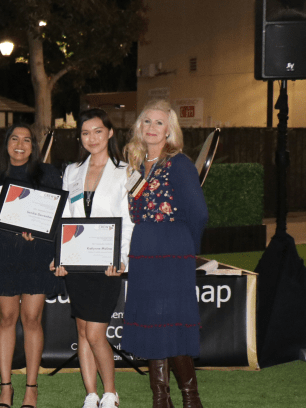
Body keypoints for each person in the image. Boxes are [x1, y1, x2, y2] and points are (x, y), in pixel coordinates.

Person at [121, 99, 208, 408]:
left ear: (170, 130)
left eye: (159, 123)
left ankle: (190, 398)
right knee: (151, 323)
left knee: (171, 322)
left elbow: (199, 213)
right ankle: (160, 399)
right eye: (147, 122)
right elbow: (134, 214)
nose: (152, 128)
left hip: (173, 252)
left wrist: (188, 250)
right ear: (138, 128)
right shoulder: (136, 165)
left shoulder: (179, 163)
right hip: (143, 251)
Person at [51, 108, 135, 408]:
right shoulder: (72, 171)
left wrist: (122, 258)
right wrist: (59, 255)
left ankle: (111, 393)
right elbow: (65, 217)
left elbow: (129, 220)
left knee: (96, 332)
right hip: (77, 262)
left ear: (110, 133)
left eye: (98, 131)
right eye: (85, 133)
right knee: (82, 331)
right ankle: (91, 394)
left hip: (108, 263)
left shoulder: (127, 171)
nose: (92, 138)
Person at [0, 124, 64, 408]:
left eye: (27, 140)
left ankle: (31, 388)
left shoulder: (48, 173)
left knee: (31, 319)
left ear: (34, 146)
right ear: (6, 143)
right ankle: (5, 388)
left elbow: (57, 214)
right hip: (4, 254)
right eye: (14, 139)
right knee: (6, 319)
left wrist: (41, 231)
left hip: (36, 255)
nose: (20, 144)